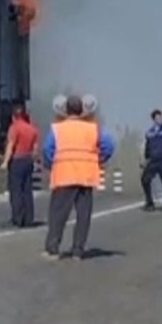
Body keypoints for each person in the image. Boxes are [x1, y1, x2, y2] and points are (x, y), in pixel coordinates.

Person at [42, 95, 115, 260]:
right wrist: (99, 159)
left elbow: (48, 150)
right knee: (83, 215)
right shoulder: (93, 129)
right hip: (86, 175)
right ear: (82, 110)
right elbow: (109, 145)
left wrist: (52, 164)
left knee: (58, 214)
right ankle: (78, 250)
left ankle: (53, 248)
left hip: (64, 174)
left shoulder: (57, 129)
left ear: (66, 110)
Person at [0, 104, 40, 227]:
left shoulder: (14, 128)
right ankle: (29, 218)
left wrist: (5, 162)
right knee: (27, 190)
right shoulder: (32, 129)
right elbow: (35, 148)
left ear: (13, 116)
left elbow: (11, 145)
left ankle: (18, 218)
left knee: (16, 190)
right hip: (28, 160)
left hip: (17, 160)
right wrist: (34, 160)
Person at [141, 109, 162, 211]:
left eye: (161, 117)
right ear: (154, 119)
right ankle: (149, 202)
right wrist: (145, 159)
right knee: (145, 180)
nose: (159, 119)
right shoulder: (149, 133)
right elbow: (147, 146)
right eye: (157, 118)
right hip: (153, 160)